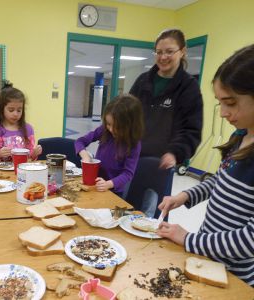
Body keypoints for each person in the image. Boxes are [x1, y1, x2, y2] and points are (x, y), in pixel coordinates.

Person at [157, 44, 254, 287]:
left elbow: (250, 240)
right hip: (206, 259)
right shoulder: (240, 137)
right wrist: (185, 195)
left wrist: (188, 239)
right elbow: (219, 182)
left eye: (230, 103)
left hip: (234, 277)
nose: (222, 113)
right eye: (220, 103)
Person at [129, 29, 203, 169]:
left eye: (169, 51)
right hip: (131, 157)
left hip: (160, 164)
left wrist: (174, 153)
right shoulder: (143, 80)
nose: (163, 57)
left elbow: (191, 130)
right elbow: (125, 114)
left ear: (182, 51)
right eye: (159, 52)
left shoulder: (189, 86)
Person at [75, 95, 144, 195]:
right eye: (108, 124)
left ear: (130, 125)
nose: (111, 129)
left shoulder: (134, 144)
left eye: (118, 127)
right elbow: (80, 141)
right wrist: (85, 156)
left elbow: (128, 174)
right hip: (95, 185)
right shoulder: (104, 130)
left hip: (113, 191)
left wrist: (109, 184)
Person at [0, 81, 42, 162]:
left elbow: (30, 156)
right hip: (0, 172)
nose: (15, 114)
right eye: (11, 110)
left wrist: (35, 154)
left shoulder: (28, 129)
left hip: (21, 171)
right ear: (2, 109)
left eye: (19, 110)